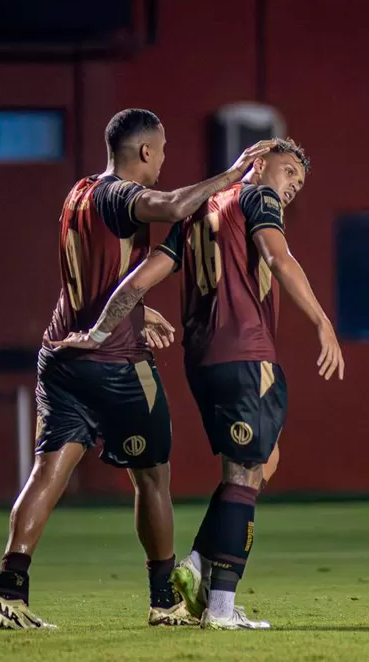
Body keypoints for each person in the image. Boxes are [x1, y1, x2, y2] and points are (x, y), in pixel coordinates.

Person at [0, 107, 275, 630]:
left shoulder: (78, 192)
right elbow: (173, 205)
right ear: (145, 151)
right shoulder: (121, 194)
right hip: (115, 364)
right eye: (161, 150)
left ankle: (9, 593)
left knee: (47, 473)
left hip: (59, 354)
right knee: (152, 478)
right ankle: (164, 600)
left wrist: (141, 312)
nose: (163, 160)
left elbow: (99, 277)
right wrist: (234, 174)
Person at [50, 138, 345, 630]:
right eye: (288, 170)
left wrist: (100, 329)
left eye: (298, 180)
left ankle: (199, 563)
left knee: (264, 458)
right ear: (260, 160)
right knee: (245, 472)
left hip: (202, 360)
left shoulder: (199, 212)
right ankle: (221, 606)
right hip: (244, 353)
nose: (291, 185)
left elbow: (142, 279)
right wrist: (321, 321)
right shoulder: (257, 197)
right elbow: (278, 258)